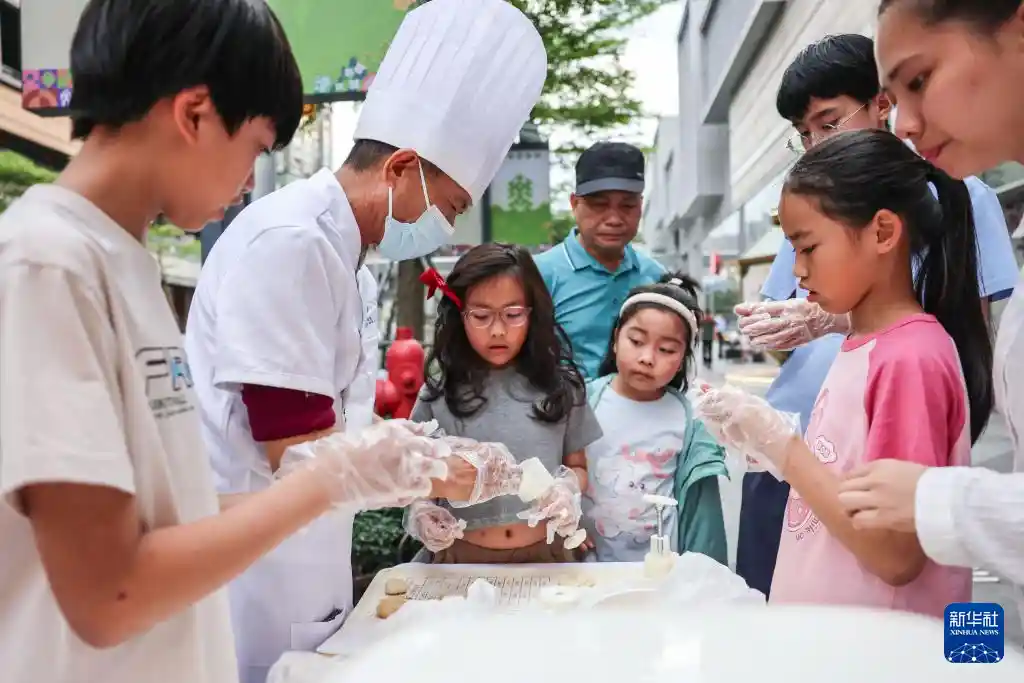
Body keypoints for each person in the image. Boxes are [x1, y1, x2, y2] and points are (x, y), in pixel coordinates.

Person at [0, 2, 462, 683]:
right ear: (193, 114)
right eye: (254, 148)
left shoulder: (124, 261)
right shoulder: (48, 263)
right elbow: (108, 594)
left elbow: (168, 512)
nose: (251, 181)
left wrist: (372, 472)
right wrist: (331, 477)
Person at [182, 1, 547, 680]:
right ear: (402, 168)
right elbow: (293, 447)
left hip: (302, 558)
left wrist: (421, 471)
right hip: (254, 578)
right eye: (451, 204)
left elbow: (336, 428)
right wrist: (430, 471)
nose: (444, 223)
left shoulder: (343, 254)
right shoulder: (292, 242)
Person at [733, 32, 1019, 600]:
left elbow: (896, 555)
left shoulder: (956, 200)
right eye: (803, 134)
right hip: (807, 437)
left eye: (828, 123)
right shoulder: (818, 199)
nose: (815, 144)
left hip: (866, 451)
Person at [696, 129, 993, 616]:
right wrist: (762, 443)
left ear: (882, 232)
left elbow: (895, 553)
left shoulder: (908, 359)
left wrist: (783, 448)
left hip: (880, 650)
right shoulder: (862, 343)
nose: (798, 271)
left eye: (808, 248)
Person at [834, 0, 1024, 591]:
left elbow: (894, 555)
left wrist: (934, 500)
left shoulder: (915, 352)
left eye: (919, 81)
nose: (908, 125)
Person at [406, 244, 603, 563]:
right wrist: (422, 509)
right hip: (461, 557)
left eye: (512, 315)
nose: (497, 330)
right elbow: (417, 474)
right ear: (459, 315)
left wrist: (568, 488)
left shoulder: (561, 387)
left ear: (533, 314)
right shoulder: (440, 392)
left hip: (546, 555)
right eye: (481, 316)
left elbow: (578, 465)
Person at [583, 275, 728, 565]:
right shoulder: (583, 402)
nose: (647, 357)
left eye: (666, 350)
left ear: (682, 359)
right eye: (636, 341)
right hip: (587, 569)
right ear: (615, 340)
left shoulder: (690, 422)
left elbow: (704, 517)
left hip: (660, 576)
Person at [535, 142, 664, 378]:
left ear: (640, 206)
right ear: (574, 204)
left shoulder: (655, 277)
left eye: (627, 205)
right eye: (599, 205)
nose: (614, 219)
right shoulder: (539, 275)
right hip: (563, 411)